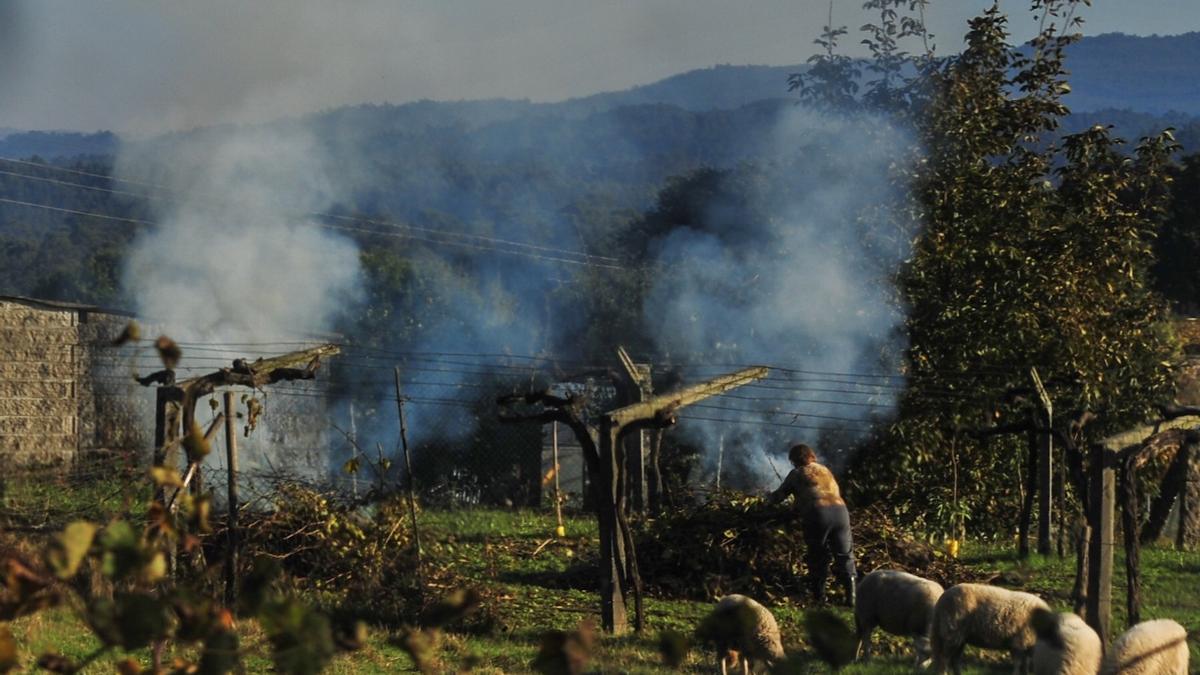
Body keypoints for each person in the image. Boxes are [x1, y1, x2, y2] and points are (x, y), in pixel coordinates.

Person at [767, 443, 857, 606]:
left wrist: (766, 499)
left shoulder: (797, 473)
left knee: (818, 555)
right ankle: (851, 599)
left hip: (818, 513)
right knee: (845, 554)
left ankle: (819, 599)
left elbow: (779, 496)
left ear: (794, 460)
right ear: (811, 456)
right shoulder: (825, 470)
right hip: (841, 512)